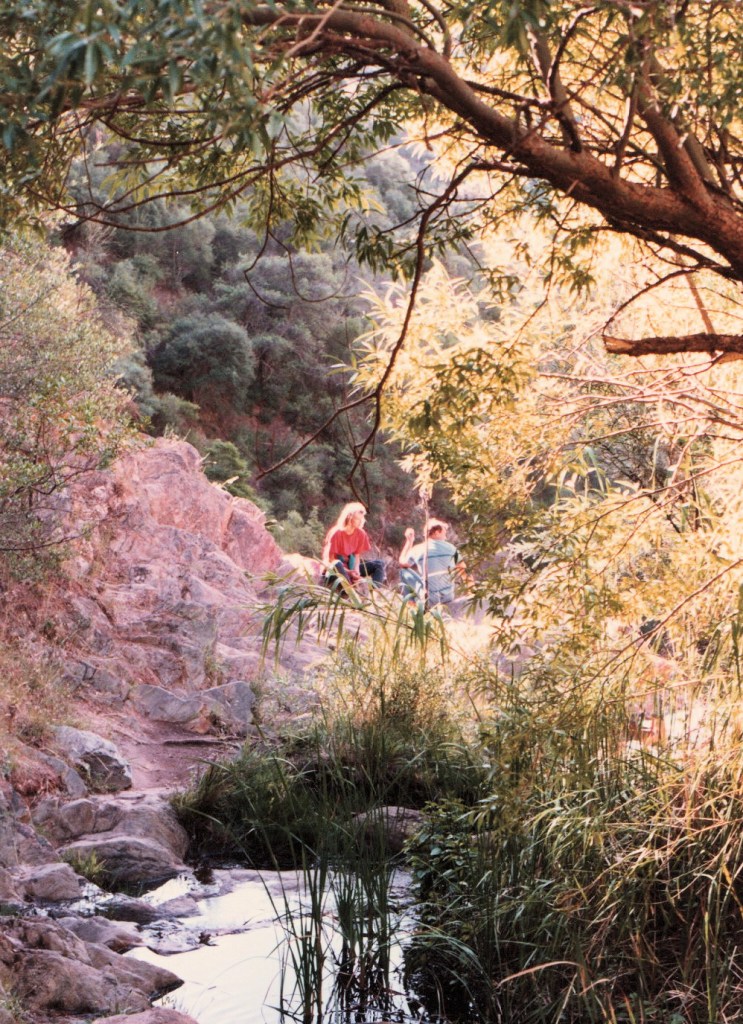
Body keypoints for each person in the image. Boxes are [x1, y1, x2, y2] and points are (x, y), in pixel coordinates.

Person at [398, 518, 465, 607]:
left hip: (430, 600)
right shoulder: (452, 548)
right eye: (444, 533)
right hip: (448, 598)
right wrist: (472, 590)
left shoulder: (418, 549)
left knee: (403, 572)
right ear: (436, 532)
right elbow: (463, 569)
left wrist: (409, 541)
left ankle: (412, 606)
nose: (446, 537)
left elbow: (402, 563)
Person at [321, 502, 386, 589]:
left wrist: (356, 571)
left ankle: (375, 590)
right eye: (358, 519)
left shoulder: (361, 534)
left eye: (362, 518)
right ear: (349, 517)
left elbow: (356, 556)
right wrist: (349, 572)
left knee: (379, 564)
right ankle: (349, 590)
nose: (361, 521)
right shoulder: (336, 533)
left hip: (350, 567)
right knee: (337, 563)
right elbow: (331, 560)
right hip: (336, 569)